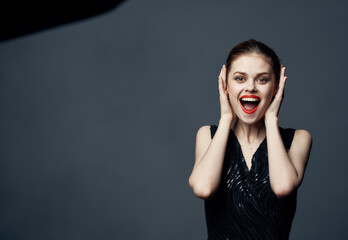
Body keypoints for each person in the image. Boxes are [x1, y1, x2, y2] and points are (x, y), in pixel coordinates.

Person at [188, 39, 312, 240]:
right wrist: (226, 119)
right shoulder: (207, 135)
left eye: (262, 79)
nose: (251, 88)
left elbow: (282, 187)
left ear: (277, 86)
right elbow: (203, 187)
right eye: (239, 78)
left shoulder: (298, 139)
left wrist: (271, 119)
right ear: (225, 83)